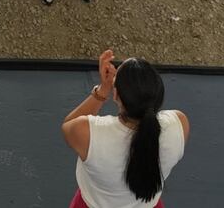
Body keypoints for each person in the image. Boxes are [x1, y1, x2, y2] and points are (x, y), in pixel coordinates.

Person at [62, 50, 189, 207]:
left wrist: (103, 90)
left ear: (116, 95)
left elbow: (69, 125)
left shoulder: (88, 133)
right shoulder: (179, 124)